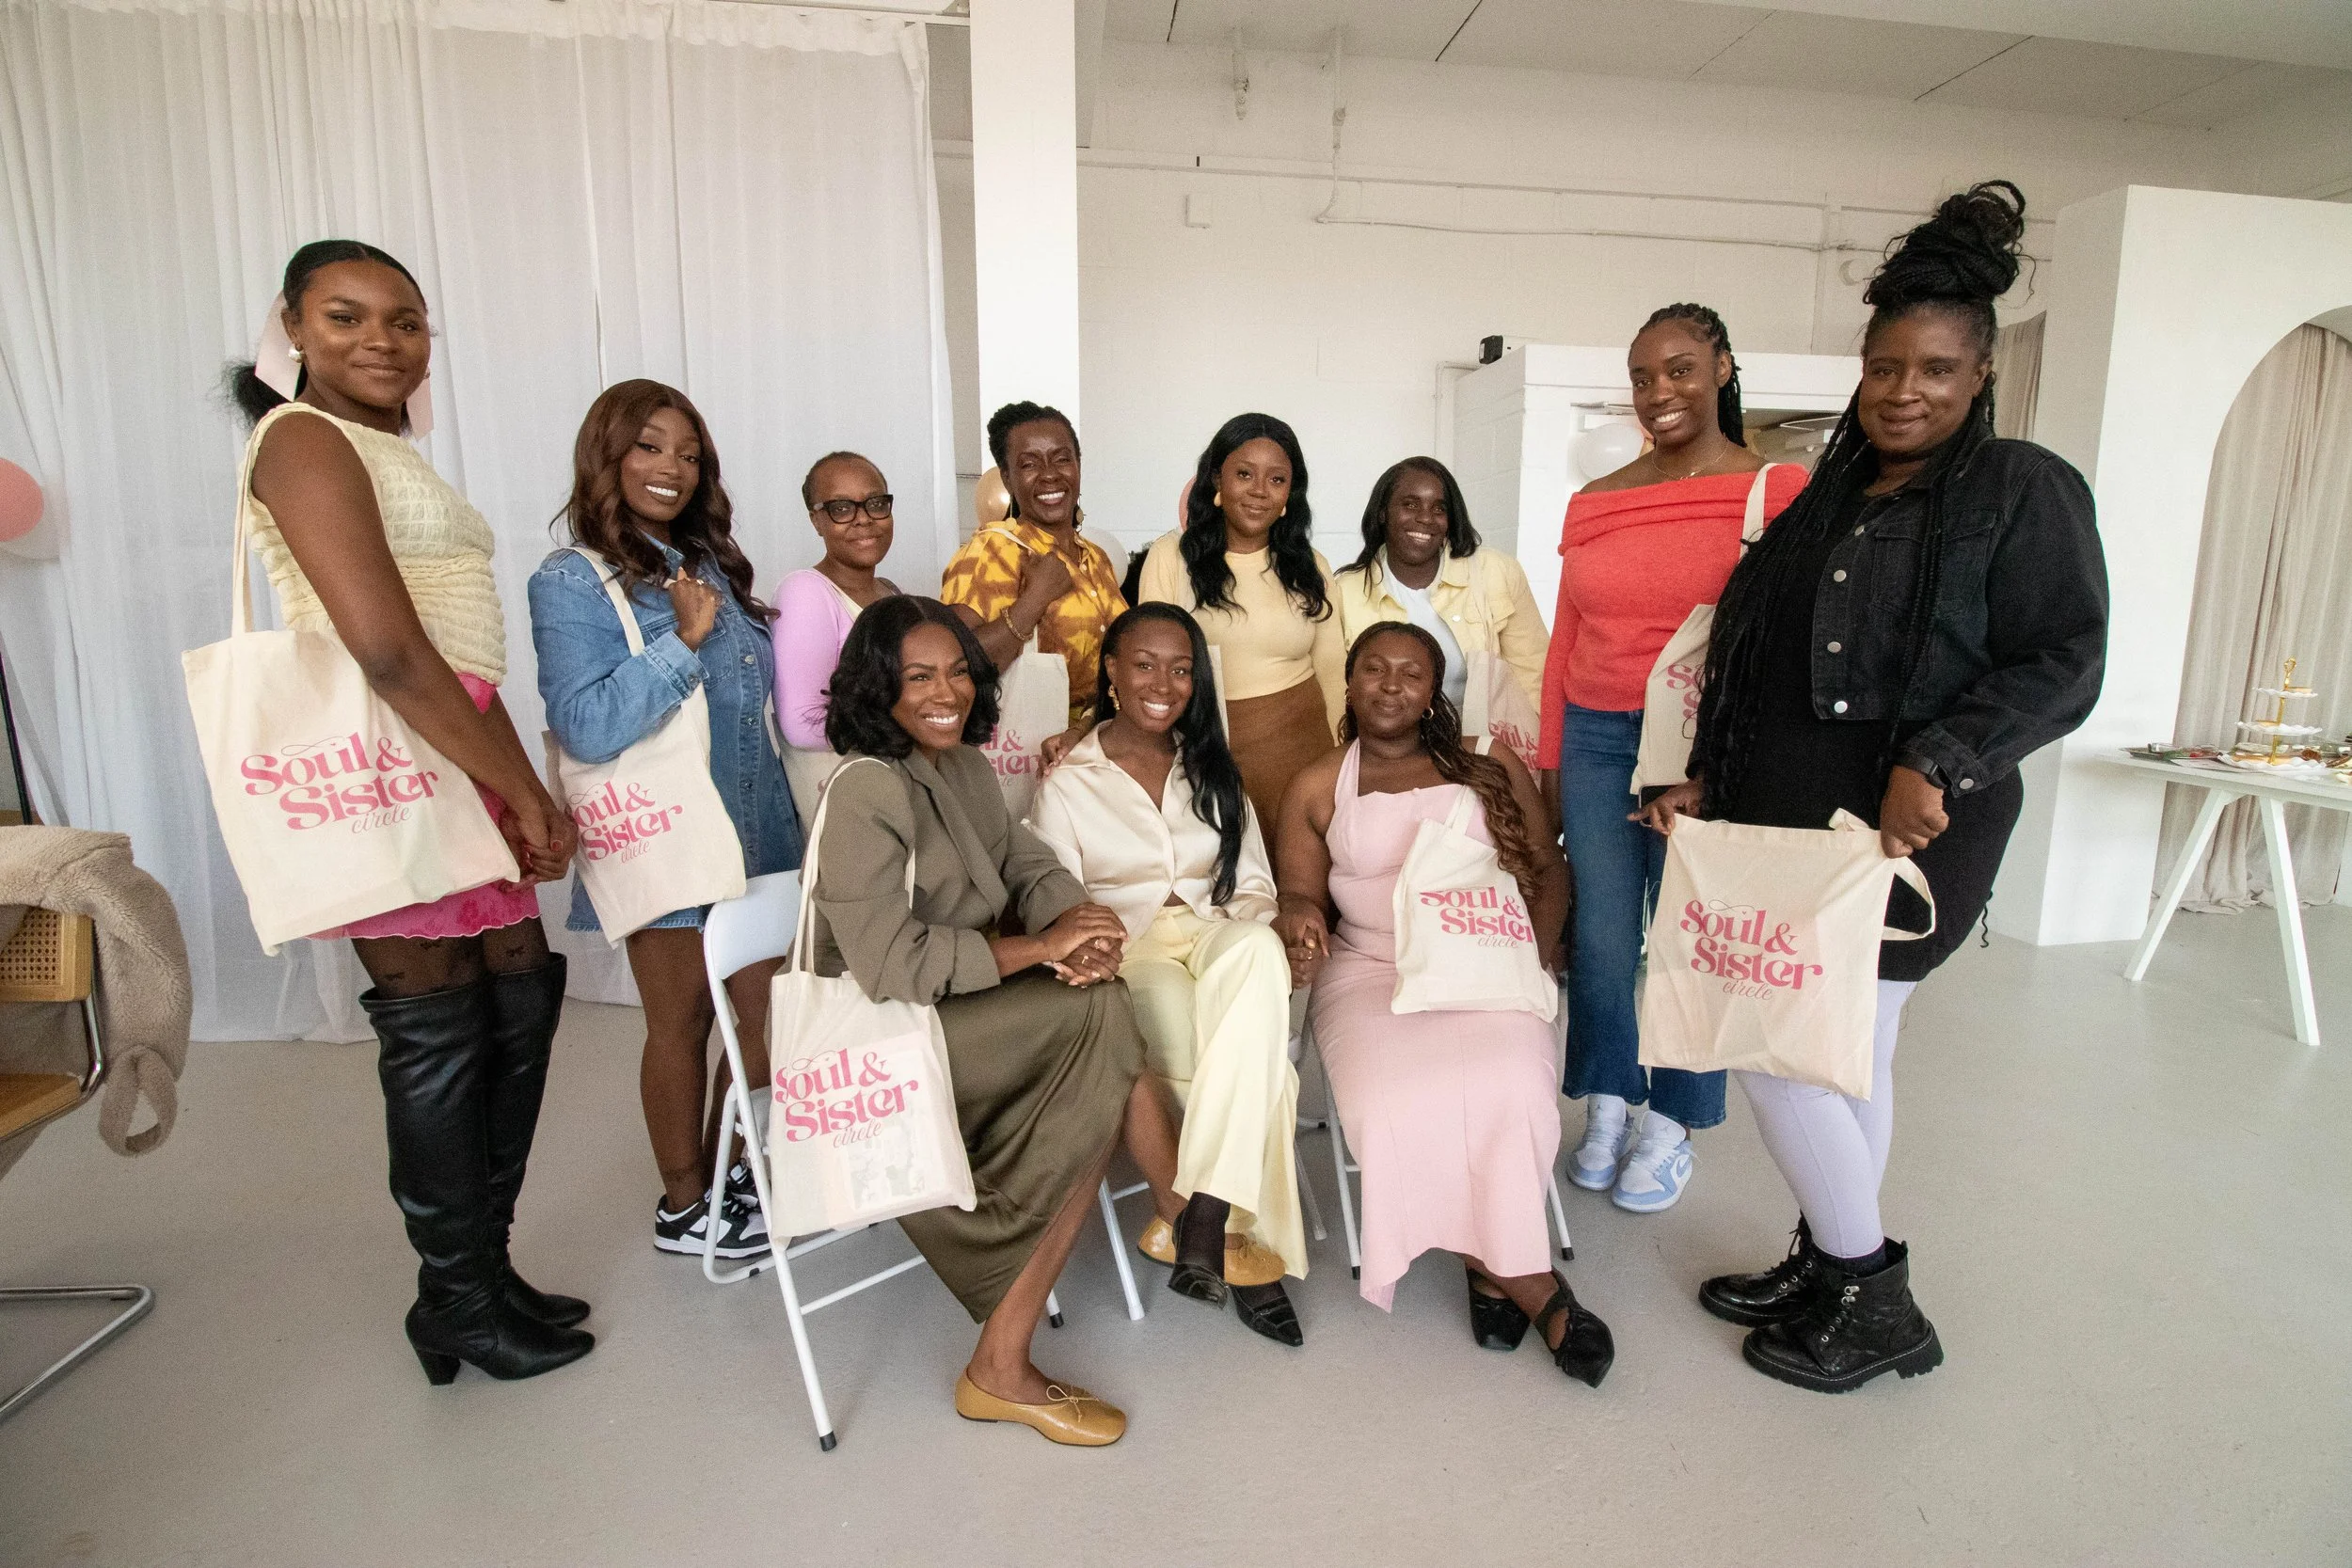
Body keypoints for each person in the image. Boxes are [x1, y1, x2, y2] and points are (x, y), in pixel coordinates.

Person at [1642, 182, 2106, 1393]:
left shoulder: (2021, 489)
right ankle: (1826, 1256)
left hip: (1909, 827)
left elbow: (2065, 658)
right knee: (1854, 1050)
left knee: (1776, 1045)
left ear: (1982, 374)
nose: (1906, 390)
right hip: (1782, 819)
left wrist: (1937, 758)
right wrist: (1703, 775)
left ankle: (1871, 1289)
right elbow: (1751, 655)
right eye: (1886, 366)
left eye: (1937, 369)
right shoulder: (1830, 494)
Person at [226, 240, 589, 1383]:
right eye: (345, 316)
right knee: (438, 1034)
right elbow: (383, 650)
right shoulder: (300, 440)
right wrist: (523, 785)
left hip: (454, 735)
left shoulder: (381, 446)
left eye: (405, 320)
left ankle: (478, 1269)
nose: (381, 340)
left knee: (516, 1007)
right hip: (400, 749)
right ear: (290, 324)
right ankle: (458, 1302)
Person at [808, 595, 1165, 1446]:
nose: (949, 691)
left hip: (951, 1014)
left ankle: (1002, 1360)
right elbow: (893, 967)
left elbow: (1023, 861)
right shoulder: (863, 789)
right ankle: (1175, 1210)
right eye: (920, 675)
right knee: (1102, 1032)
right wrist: (1045, 950)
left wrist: (1081, 927)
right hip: (885, 1036)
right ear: (878, 686)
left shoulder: (962, 767)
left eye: (960, 671)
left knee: (1101, 1031)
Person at [1275, 623, 1611, 1387]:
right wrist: (1296, 916)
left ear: (1435, 690)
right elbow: (1299, 890)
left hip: (1485, 957)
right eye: (1374, 670)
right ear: (1349, 680)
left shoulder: (1488, 766)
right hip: (1369, 969)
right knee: (1387, 1103)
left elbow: (1549, 870)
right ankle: (1522, 1278)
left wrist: (1533, 956)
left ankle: (1494, 1267)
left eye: (1411, 673)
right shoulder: (1317, 782)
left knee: (1518, 1087)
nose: (1391, 686)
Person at [1539, 303, 1808, 1215]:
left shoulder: (1774, 489)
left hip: (1703, 743)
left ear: (1724, 368)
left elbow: (1782, 649)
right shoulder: (1595, 500)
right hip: (1594, 731)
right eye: (1643, 376)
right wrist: (1549, 761)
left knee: (1693, 939)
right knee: (1607, 939)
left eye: (1681, 369)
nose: (1659, 392)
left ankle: (1675, 1118)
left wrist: (1733, 769)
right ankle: (1610, 1099)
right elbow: (1564, 638)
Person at [530, 380, 803, 1263]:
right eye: (650, 446)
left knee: (763, 1014)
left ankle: (736, 1176)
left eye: (688, 453)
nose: (672, 468)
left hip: (760, 826)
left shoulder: (706, 565)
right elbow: (587, 723)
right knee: (682, 1021)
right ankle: (684, 1204)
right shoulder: (571, 579)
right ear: (607, 453)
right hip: (670, 832)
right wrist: (679, 643)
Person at [1026, 603, 1306, 1346]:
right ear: (1111, 673)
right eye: (1144, 664)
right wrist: (1085, 946)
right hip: (1132, 946)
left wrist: (1247, 922)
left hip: (1215, 933)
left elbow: (1254, 885)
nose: (1164, 682)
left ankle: (1200, 1210)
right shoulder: (1068, 781)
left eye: (1182, 669)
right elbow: (1052, 892)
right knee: (1249, 1067)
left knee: (1258, 951)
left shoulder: (1211, 766)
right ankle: (1239, 1247)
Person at [1138, 414, 1343, 827]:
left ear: (1290, 492)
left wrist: (1343, 760)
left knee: (1303, 883)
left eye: (1277, 480)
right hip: (1207, 751)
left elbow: (1333, 669)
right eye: (1244, 474)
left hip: (1306, 753)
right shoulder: (1171, 557)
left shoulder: (1311, 566)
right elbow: (1147, 663)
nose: (1259, 492)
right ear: (1217, 479)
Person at [942, 403, 1127, 729]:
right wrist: (1036, 597)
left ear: (1078, 465)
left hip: (1094, 741)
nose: (1050, 474)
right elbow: (956, 665)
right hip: (1028, 748)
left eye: (1062, 458)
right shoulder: (992, 551)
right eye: (1029, 464)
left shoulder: (1096, 559)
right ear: (1008, 479)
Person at [1331, 456, 1545, 718]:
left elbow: (1533, 673)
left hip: (1481, 745)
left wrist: (1536, 751)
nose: (1425, 518)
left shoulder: (1495, 572)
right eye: (1410, 504)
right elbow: (1338, 691)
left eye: (1439, 509)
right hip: (1388, 749)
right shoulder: (1345, 590)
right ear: (1383, 513)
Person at [773, 450, 900, 820]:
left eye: (876, 504)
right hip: (846, 802)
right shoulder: (805, 591)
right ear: (816, 520)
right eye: (842, 509)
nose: (863, 520)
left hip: (892, 791)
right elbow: (802, 724)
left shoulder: (891, 592)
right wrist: (911, 722)